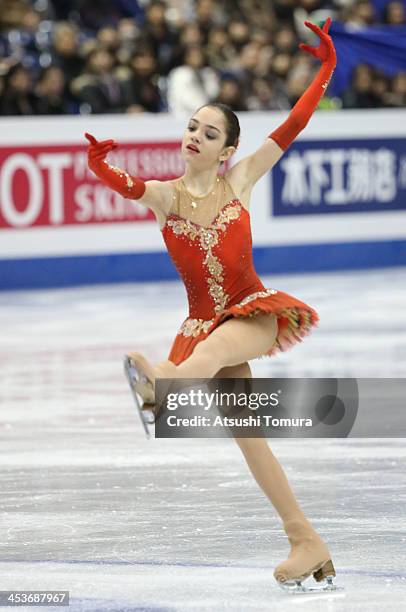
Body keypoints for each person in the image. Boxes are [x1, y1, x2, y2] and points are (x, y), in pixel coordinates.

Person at [85, 19, 338, 592]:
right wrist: (100, 166)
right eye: (192, 127)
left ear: (229, 148)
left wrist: (325, 72)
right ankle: (305, 538)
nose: (195, 135)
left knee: (212, 351)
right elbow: (126, 184)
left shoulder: (241, 180)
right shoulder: (165, 198)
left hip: (253, 310)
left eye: (209, 131)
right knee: (250, 438)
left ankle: (164, 382)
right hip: (201, 320)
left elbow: (292, 125)